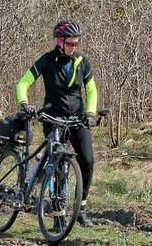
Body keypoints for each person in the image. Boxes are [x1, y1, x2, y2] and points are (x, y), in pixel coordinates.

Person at [15, 20, 98, 226]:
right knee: (59, 163)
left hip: (77, 119)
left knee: (87, 161)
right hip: (53, 119)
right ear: (59, 41)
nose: (74, 47)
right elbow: (23, 83)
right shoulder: (46, 60)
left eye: (76, 43)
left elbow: (91, 90)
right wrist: (24, 103)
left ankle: (81, 208)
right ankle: (58, 216)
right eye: (70, 43)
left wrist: (90, 113)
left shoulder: (82, 61)